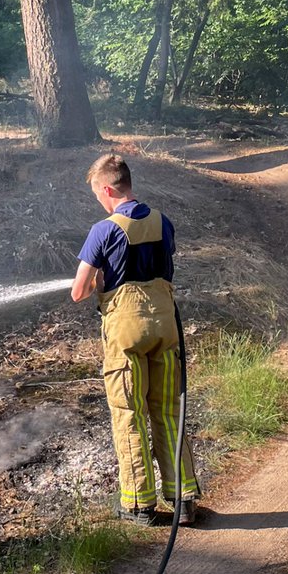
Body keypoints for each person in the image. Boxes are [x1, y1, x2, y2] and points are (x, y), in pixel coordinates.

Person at [71, 153, 200, 526]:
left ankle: (139, 505)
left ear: (108, 190)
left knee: (130, 414)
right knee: (168, 411)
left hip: (127, 333)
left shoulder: (104, 230)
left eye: (98, 194)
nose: (100, 201)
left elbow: (79, 291)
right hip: (165, 327)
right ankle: (183, 499)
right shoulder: (163, 221)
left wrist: (100, 280)